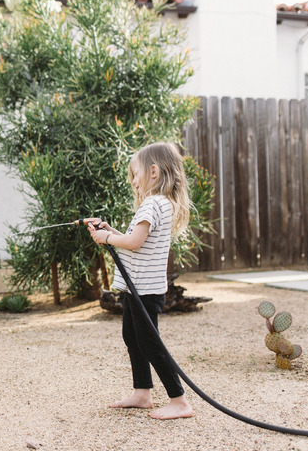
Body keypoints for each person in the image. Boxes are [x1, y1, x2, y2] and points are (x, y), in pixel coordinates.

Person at [85, 142, 195, 420]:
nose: (134, 181)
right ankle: (142, 392)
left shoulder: (152, 203)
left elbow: (134, 242)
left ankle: (180, 402)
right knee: (132, 337)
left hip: (143, 289)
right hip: (142, 288)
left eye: (136, 174)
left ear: (154, 172)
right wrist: (112, 231)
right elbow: (137, 242)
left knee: (149, 342)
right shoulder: (161, 204)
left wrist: (106, 238)